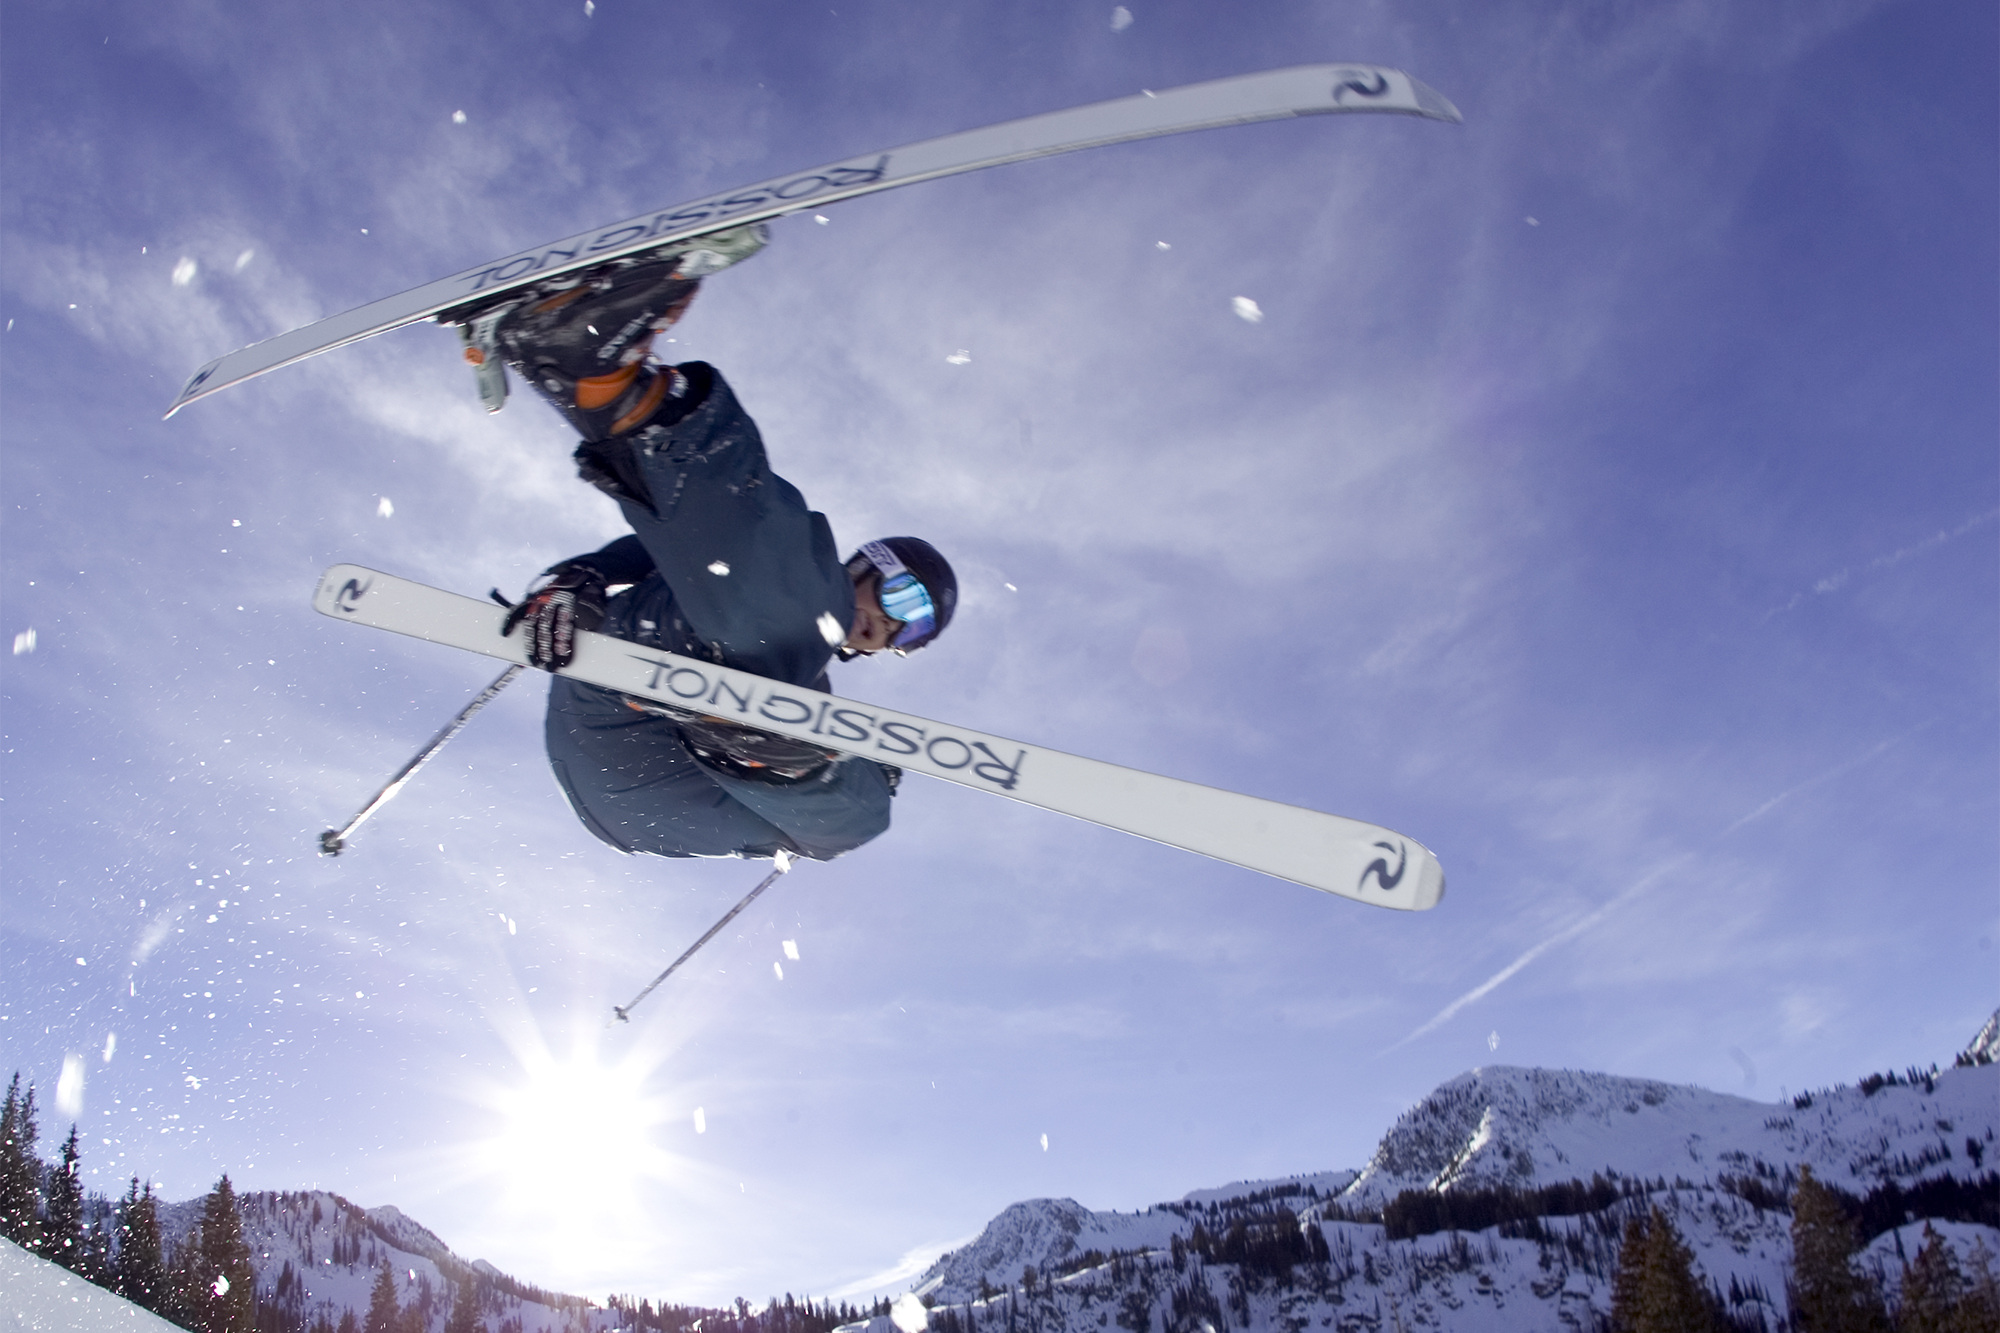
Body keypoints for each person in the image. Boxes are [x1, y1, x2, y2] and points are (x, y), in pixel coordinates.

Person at [469, 225, 957, 863]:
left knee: (864, 816)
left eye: (910, 634)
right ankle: (607, 385)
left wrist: (834, 766)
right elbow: (648, 550)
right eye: (904, 599)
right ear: (871, 563)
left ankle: (776, 758)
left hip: (672, 800)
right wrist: (578, 578)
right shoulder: (794, 594)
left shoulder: (798, 669)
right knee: (796, 611)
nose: (889, 626)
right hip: (618, 707)